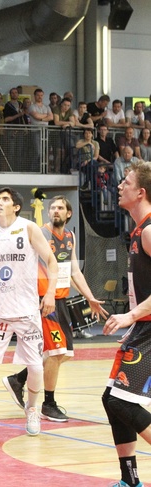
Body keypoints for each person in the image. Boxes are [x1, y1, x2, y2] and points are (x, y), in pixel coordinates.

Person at [0, 187, 58, 441]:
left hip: (27, 311)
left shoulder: (28, 228)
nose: (0, 202)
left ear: (16, 206)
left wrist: (49, 293)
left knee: (36, 367)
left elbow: (52, 261)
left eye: (5, 199)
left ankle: (33, 410)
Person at [2, 196, 107, 422]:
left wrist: (90, 298)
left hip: (61, 300)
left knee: (62, 354)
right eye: (53, 208)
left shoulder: (70, 236)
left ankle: (18, 379)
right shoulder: (39, 233)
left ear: (69, 213)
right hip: (42, 300)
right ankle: (48, 404)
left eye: (60, 208)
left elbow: (74, 271)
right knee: (56, 352)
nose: (55, 211)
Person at [102, 161, 151, 487]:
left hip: (148, 328)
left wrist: (130, 316)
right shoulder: (137, 230)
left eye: (127, 181)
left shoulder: (149, 231)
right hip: (143, 327)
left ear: (141, 192)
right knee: (112, 399)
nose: (120, 185)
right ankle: (129, 479)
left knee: (120, 400)